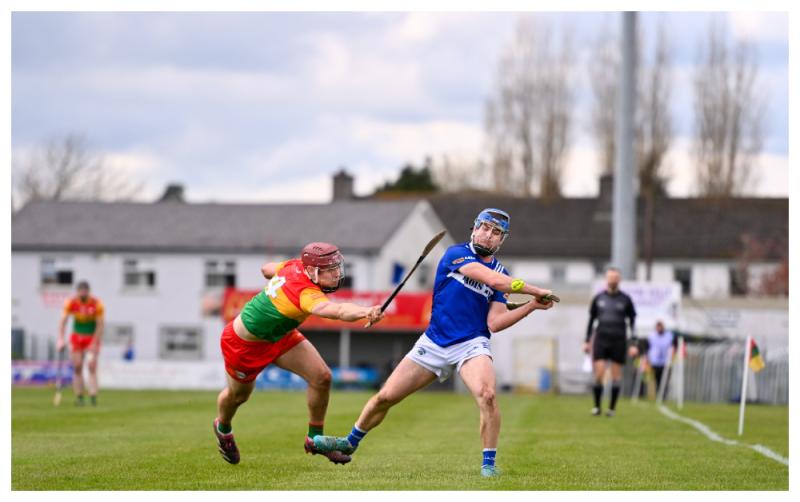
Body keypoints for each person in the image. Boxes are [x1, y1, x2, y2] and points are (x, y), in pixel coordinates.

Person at [311, 208, 557, 478]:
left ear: (501, 241)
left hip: (471, 343)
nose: (488, 235)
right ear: (475, 229)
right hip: (435, 341)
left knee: (487, 396)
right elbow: (495, 281)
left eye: (496, 233)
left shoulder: (503, 272)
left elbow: (495, 323)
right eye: (485, 228)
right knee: (385, 397)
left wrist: (532, 306)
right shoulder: (456, 254)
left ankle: (488, 464)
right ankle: (350, 442)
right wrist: (536, 290)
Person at [213, 242, 385, 466]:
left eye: (336, 267)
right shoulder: (305, 293)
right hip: (244, 345)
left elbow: (266, 269)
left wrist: (276, 275)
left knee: (322, 377)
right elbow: (338, 310)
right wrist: (366, 311)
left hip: (281, 335)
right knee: (238, 397)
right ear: (312, 271)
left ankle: (314, 439)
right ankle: (223, 428)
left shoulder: (295, 265)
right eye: (330, 270)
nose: (336, 274)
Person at [584, 267, 638, 417]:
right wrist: (587, 341)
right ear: (606, 279)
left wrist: (633, 343)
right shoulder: (599, 298)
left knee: (615, 375)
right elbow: (591, 320)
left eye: (615, 278)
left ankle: (612, 409)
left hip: (618, 340)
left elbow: (633, 322)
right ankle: (596, 407)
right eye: (610, 277)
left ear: (619, 280)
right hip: (601, 339)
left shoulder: (626, 299)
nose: (613, 280)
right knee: (599, 373)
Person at [57, 280, 104, 406]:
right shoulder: (71, 303)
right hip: (76, 337)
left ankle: (93, 396)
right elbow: (63, 321)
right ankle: (80, 397)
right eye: (80, 291)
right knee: (77, 366)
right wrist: (61, 339)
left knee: (91, 366)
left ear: (88, 292)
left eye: (85, 291)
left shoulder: (96, 304)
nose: (83, 293)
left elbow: (100, 325)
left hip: (91, 337)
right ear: (77, 292)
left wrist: (95, 342)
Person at [643, 320, 676, 398]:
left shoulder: (669, 336)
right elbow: (647, 347)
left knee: (664, 380)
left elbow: (674, 345)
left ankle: (663, 395)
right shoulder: (652, 336)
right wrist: (647, 358)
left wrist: (672, 354)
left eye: (660, 327)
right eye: (658, 327)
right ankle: (658, 394)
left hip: (666, 361)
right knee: (657, 379)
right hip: (654, 361)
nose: (659, 328)